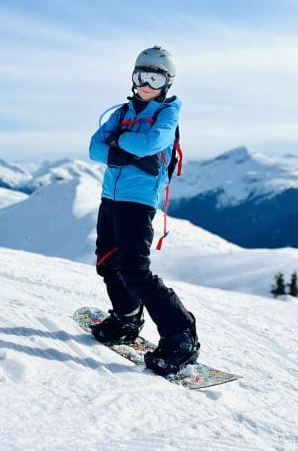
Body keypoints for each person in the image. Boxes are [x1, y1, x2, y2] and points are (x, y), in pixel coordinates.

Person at [88, 45, 200, 375]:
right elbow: (94, 147)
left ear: (167, 82)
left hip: (139, 201)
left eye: (154, 77)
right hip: (111, 195)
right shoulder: (122, 112)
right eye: (141, 75)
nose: (145, 84)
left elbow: (151, 144)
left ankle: (180, 335)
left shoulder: (168, 112)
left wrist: (118, 143)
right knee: (107, 262)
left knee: (135, 269)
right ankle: (126, 317)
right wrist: (121, 148)